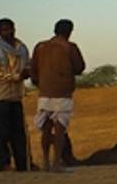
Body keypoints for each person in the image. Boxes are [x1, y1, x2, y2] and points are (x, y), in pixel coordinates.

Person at [30, 19, 85, 173]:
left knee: (46, 129)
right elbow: (79, 67)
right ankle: (56, 163)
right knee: (60, 129)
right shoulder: (70, 47)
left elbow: (33, 69)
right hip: (62, 93)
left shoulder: (40, 46)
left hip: (44, 92)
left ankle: (46, 163)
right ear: (70, 31)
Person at [0, 17, 32, 171]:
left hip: (16, 96)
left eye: (10, 29)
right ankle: (2, 164)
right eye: (4, 30)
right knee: (1, 133)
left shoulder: (22, 47)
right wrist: (15, 77)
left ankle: (23, 164)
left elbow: (28, 64)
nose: (8, 32)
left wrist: (28, 72)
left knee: (19, 132)